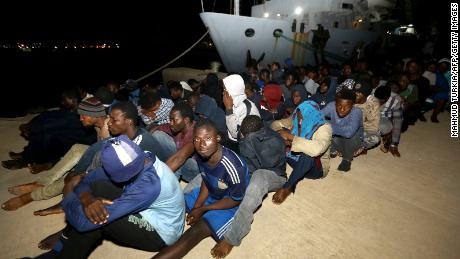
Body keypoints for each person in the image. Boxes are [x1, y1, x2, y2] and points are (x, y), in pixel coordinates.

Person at [32, 135, 185, 259]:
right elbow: (86, 181)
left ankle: (63, 255)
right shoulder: (138, 157)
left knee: (97, 217)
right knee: (97, 189)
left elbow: (83, 223)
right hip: (144, 203)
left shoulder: (148, 186)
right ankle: (62, 244)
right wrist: (86, 198)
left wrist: (68, 194)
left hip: (161, 231)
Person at [152, 120, 249, 259]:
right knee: (173, 203)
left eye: (208, 138)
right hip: (212, 191)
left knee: (194, 234)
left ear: (218, 138)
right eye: (197, 139)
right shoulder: (201, 154)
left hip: (228, 204)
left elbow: (235, 200)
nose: (202, 144)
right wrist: (197, 205)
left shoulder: (234, 167)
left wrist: (203, 209)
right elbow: (207, 179)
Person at [2, 97, 109, 211]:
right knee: (77, 149)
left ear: (95, 115)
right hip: (98, 154)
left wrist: (80, 171)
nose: (81, 119)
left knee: (74, 176)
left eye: (84, 115)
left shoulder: (109, 131)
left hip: (105, 166)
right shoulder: (99, 125)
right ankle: (42, 183)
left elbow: (104, 165)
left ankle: (32, 196)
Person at [210, 115, 287, 258]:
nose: (244, 138)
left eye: (247, 137)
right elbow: (240, 151)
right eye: (243, 135)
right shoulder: (247, 135)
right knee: (223, 166)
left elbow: (264, 167)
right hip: (252, 169)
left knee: (257, 180)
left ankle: (231, 238)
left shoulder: (274, 142)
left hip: (275, 175)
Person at [271, 100, 332, 203]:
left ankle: (288, 187)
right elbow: (276, 124)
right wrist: (281, 132)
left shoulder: (324, 128)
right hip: (295, 160)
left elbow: (316, 149)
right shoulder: (297, 117)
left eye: (302, 117)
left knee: (308, 154)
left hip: (315, 168)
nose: (300, 121)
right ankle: (277, 171)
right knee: (277, 137)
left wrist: (291, 138)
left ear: (311, 115)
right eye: (298, 116)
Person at [151, 102, 200, 182]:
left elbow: (180, 158)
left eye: (174, 120)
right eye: (170, 119)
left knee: (179, 163)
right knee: (157, 135)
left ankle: (170, 186)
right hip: (179, 155)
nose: (171, 123)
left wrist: (155, 178)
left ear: (186, 120)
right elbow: (158, 127)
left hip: (194, 171)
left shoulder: (197, 133)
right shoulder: (177, 127)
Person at [321, 88, 363, 172]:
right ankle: (333, 150)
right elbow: (318, 115)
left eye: (346, 107)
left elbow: (349, 133)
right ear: (335, 103)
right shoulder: (331, 105)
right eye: (339, 106)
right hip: (338, 139)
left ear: (352, 105)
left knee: (351, 135)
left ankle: (347, 159)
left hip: (353, 144)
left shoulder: (357, 112)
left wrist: (327, 125)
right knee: (322, 126)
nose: (342, 109)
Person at [223, 74, 260, 153]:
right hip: (235, 141)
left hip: (243, 145)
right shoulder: (234, 102)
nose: (223, 92)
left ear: (232, 91)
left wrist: (229, 110)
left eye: (225, 90)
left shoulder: (246, 108)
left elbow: (236, 134)